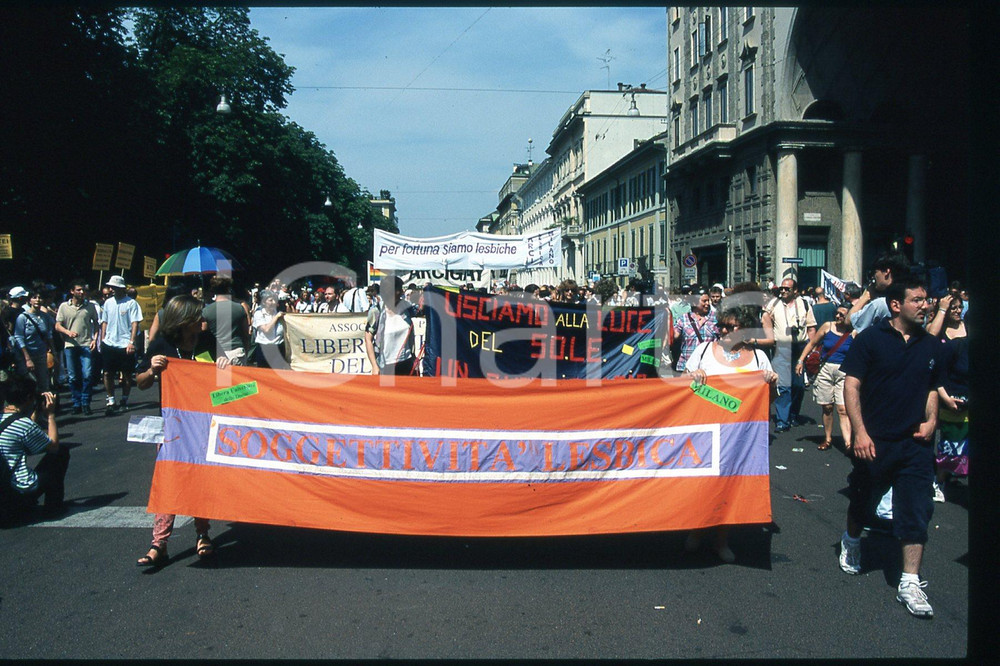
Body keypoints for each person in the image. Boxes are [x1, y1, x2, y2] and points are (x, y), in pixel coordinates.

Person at [838, 277, 945, 618]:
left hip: (914, 443)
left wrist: (932, 420)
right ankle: (852, 540)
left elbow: (931, 387)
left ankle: (910, 581)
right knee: (865, 498)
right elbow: (852, 386)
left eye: (926, 300)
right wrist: (860, 432)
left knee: (915, 510)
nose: (925, 306)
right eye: (917, 300)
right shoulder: (870, 340)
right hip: (875, 440)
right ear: (896, 305)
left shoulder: (931, 345)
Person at [134, 295, 230, 567]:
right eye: (197, 317)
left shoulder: (208, 341)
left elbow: (228, 388)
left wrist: (223, 369)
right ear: (183, 320)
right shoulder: (162, 344)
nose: (203, 320)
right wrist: (152, 371)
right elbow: (139, 383)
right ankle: (159, 543)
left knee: (199, 478)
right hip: (172, 425)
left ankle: (203, 534)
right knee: (169, 480)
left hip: (203, 423)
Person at [684, 306, 777, 562]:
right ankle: (697, 529)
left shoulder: (759, 358)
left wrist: (772, 382)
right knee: (702, 484)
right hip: (705, 430)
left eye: (730, 326)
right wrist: (695, 376)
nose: (723, 330)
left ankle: (721, 540)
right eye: (721, 325)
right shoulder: (704, 351)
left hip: (740, 436)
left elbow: (769, 400)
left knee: (729, 486)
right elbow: (683, 386)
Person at [0, 375, 68, 515]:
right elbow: (53, 446)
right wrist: (50, 415)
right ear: (29, 397)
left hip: (4, 492)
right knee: (61, 453)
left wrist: (35, 413)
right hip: (17, 491)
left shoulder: (6, 419)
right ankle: (53, 507)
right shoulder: (23, 425)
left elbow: (22, 439)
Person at [924, 293, 968, 502]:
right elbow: (928, 340)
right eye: (954, 308)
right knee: (948, 441)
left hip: (965, 391)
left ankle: (949, 473)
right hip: (944, 391)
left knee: (963, 440)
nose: (958, 311)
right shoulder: (939, 332)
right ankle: (938, 479)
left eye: (960, 307)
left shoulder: (968, 328)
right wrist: (941, 310)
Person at [795, 304, 855, 450]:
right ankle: (827, 439)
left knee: (843, 408)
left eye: (842, 315)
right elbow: (813, 343)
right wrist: (800, 360)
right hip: (825, 369)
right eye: (837, 314)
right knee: (827, 406)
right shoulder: (827, 327)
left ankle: (847, 442)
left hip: (844, 371)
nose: (838, 317)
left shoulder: (854, 332)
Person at [763, 278, 816, 432]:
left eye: (787, 289)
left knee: (798, 385)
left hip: (799, 348)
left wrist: (811, 347)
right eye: (782, 288)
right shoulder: (773, 304)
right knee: (783, 385)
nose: (783, 291)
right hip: (781, 347)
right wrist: (769, 336)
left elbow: (811, 327)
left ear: (795, 291)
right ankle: (782, 420)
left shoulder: (804, 304)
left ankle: (793, 414)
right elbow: (765, 319)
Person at [55, 279, 101, 415]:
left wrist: (95, 339)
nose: (82, 292)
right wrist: (68, 332)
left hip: (86, 343)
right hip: (70, 345)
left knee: (87, 374)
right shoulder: (64, 306)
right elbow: (58, 325)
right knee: (73, 376)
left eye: (83, 290)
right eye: (79, 290)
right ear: (72, 292)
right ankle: (76, 402)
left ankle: (85, 401)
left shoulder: (90, 307)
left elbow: (96, 324)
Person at [99, 275, 143, 416]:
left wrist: (132, 342)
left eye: (115, 287)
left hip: (125, 343)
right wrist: (103, 338)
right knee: (107, 373)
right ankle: (111, 400)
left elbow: (135, 323)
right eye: (112, 287)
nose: (113, 289)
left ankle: (124, 399)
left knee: (126, 374)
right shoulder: (108, 303)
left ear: (122, 288)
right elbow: (104, 321)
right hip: (109, 343)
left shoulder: (131, 303)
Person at [365, 277, 420, 376]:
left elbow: (422, 311)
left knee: (407, 391)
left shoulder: (406, 308)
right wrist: (374, 366)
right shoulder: (376, 311)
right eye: (397, 291)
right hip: (386, 364)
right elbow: (368, 339)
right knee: (388, 391)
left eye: (400, 291)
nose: (401, 293)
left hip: (406, 362)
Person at [847, 251, 909, 333]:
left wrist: (865, 297)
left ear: (887, 272)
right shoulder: (912, 301)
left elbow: (849, 321)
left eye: (875, 272)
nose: (873, 277)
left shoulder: (880, 304)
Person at [11, 290, 56, 393]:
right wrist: (27, 359)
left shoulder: (45, 317)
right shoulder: (22, 317)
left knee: (44, 384)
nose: (37, 300)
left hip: (41, 354)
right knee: (29, 384)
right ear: (29, 300)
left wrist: (54, 352)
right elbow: (19, 337)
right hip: (26, 355)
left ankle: (45, 407)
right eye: (34, 297)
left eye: (40, 298)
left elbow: (49, 335)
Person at [202, 276, 250, 366]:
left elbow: (203, 333)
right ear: (229, 289)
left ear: (213, 291)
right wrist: (246, 352)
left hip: (216, 354)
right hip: (236, 351)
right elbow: (245, 334)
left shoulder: (206, 311)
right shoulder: (239, 308)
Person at [672, 291, 717, 372]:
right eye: (704, 301)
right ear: (694, 302)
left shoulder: (715, 318)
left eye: (708, 300)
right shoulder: (683, 319)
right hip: (686, 368)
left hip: (707, 367)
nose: (707, 303)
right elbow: (674, 336)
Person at [250, 290, 285, 369]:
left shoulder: (278, 312)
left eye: (274, 300)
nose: (273, 302)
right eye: (270, 300)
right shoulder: (259, 314)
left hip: (278, 348)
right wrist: (276, 317)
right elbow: (266, 330)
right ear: (264, 302)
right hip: (264, 349)